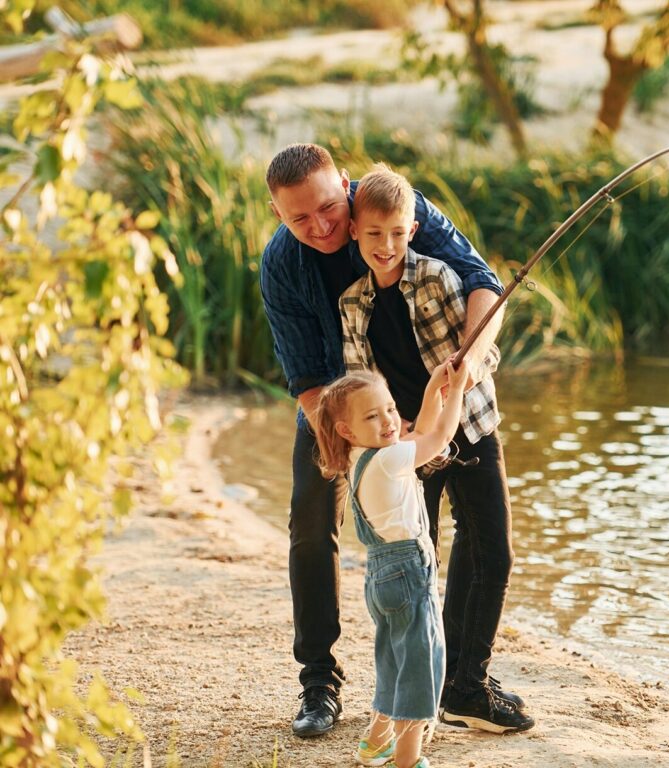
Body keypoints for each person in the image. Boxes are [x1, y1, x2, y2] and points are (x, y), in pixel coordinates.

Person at [261, 143, 505, 737]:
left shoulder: (393, 209)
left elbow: (483, 282)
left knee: (429, 545)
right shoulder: (281, 266)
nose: (320, 228)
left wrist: (467, 363)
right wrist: (363, 447)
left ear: (344, 186)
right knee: (311, 524)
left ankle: (458, 682)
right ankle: (319, 681)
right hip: (333, 406)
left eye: (327, 209)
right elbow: (307, 382)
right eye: (299, 219)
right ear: (278, 217)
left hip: (426, 401)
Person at [340, 164, 534, 733]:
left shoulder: (438, 278)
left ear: (413, 229)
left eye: (398, 233)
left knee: (492, 552)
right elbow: (357, 380)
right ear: (355, 232)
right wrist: (389, 430)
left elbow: (486, 355)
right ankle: (428, 683)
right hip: (405, 449)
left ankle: (467, 683)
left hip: (470, 427)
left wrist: (468, 370)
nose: (387, 245)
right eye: (374, 234)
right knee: (420, 568)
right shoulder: (352, 305)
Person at [311, 364, 468, 768]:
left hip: (383, 577)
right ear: (347, 430)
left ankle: (377, 742)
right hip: (408, 574)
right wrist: (458, 394)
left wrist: (434, 389)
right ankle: (407, 760)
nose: (388, 421)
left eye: (391, 408)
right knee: (419, 664)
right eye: (372, 416)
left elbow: (416, 435)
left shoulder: (364, 459)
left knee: (395, 661)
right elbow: (440, 437)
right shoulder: (388, 460)